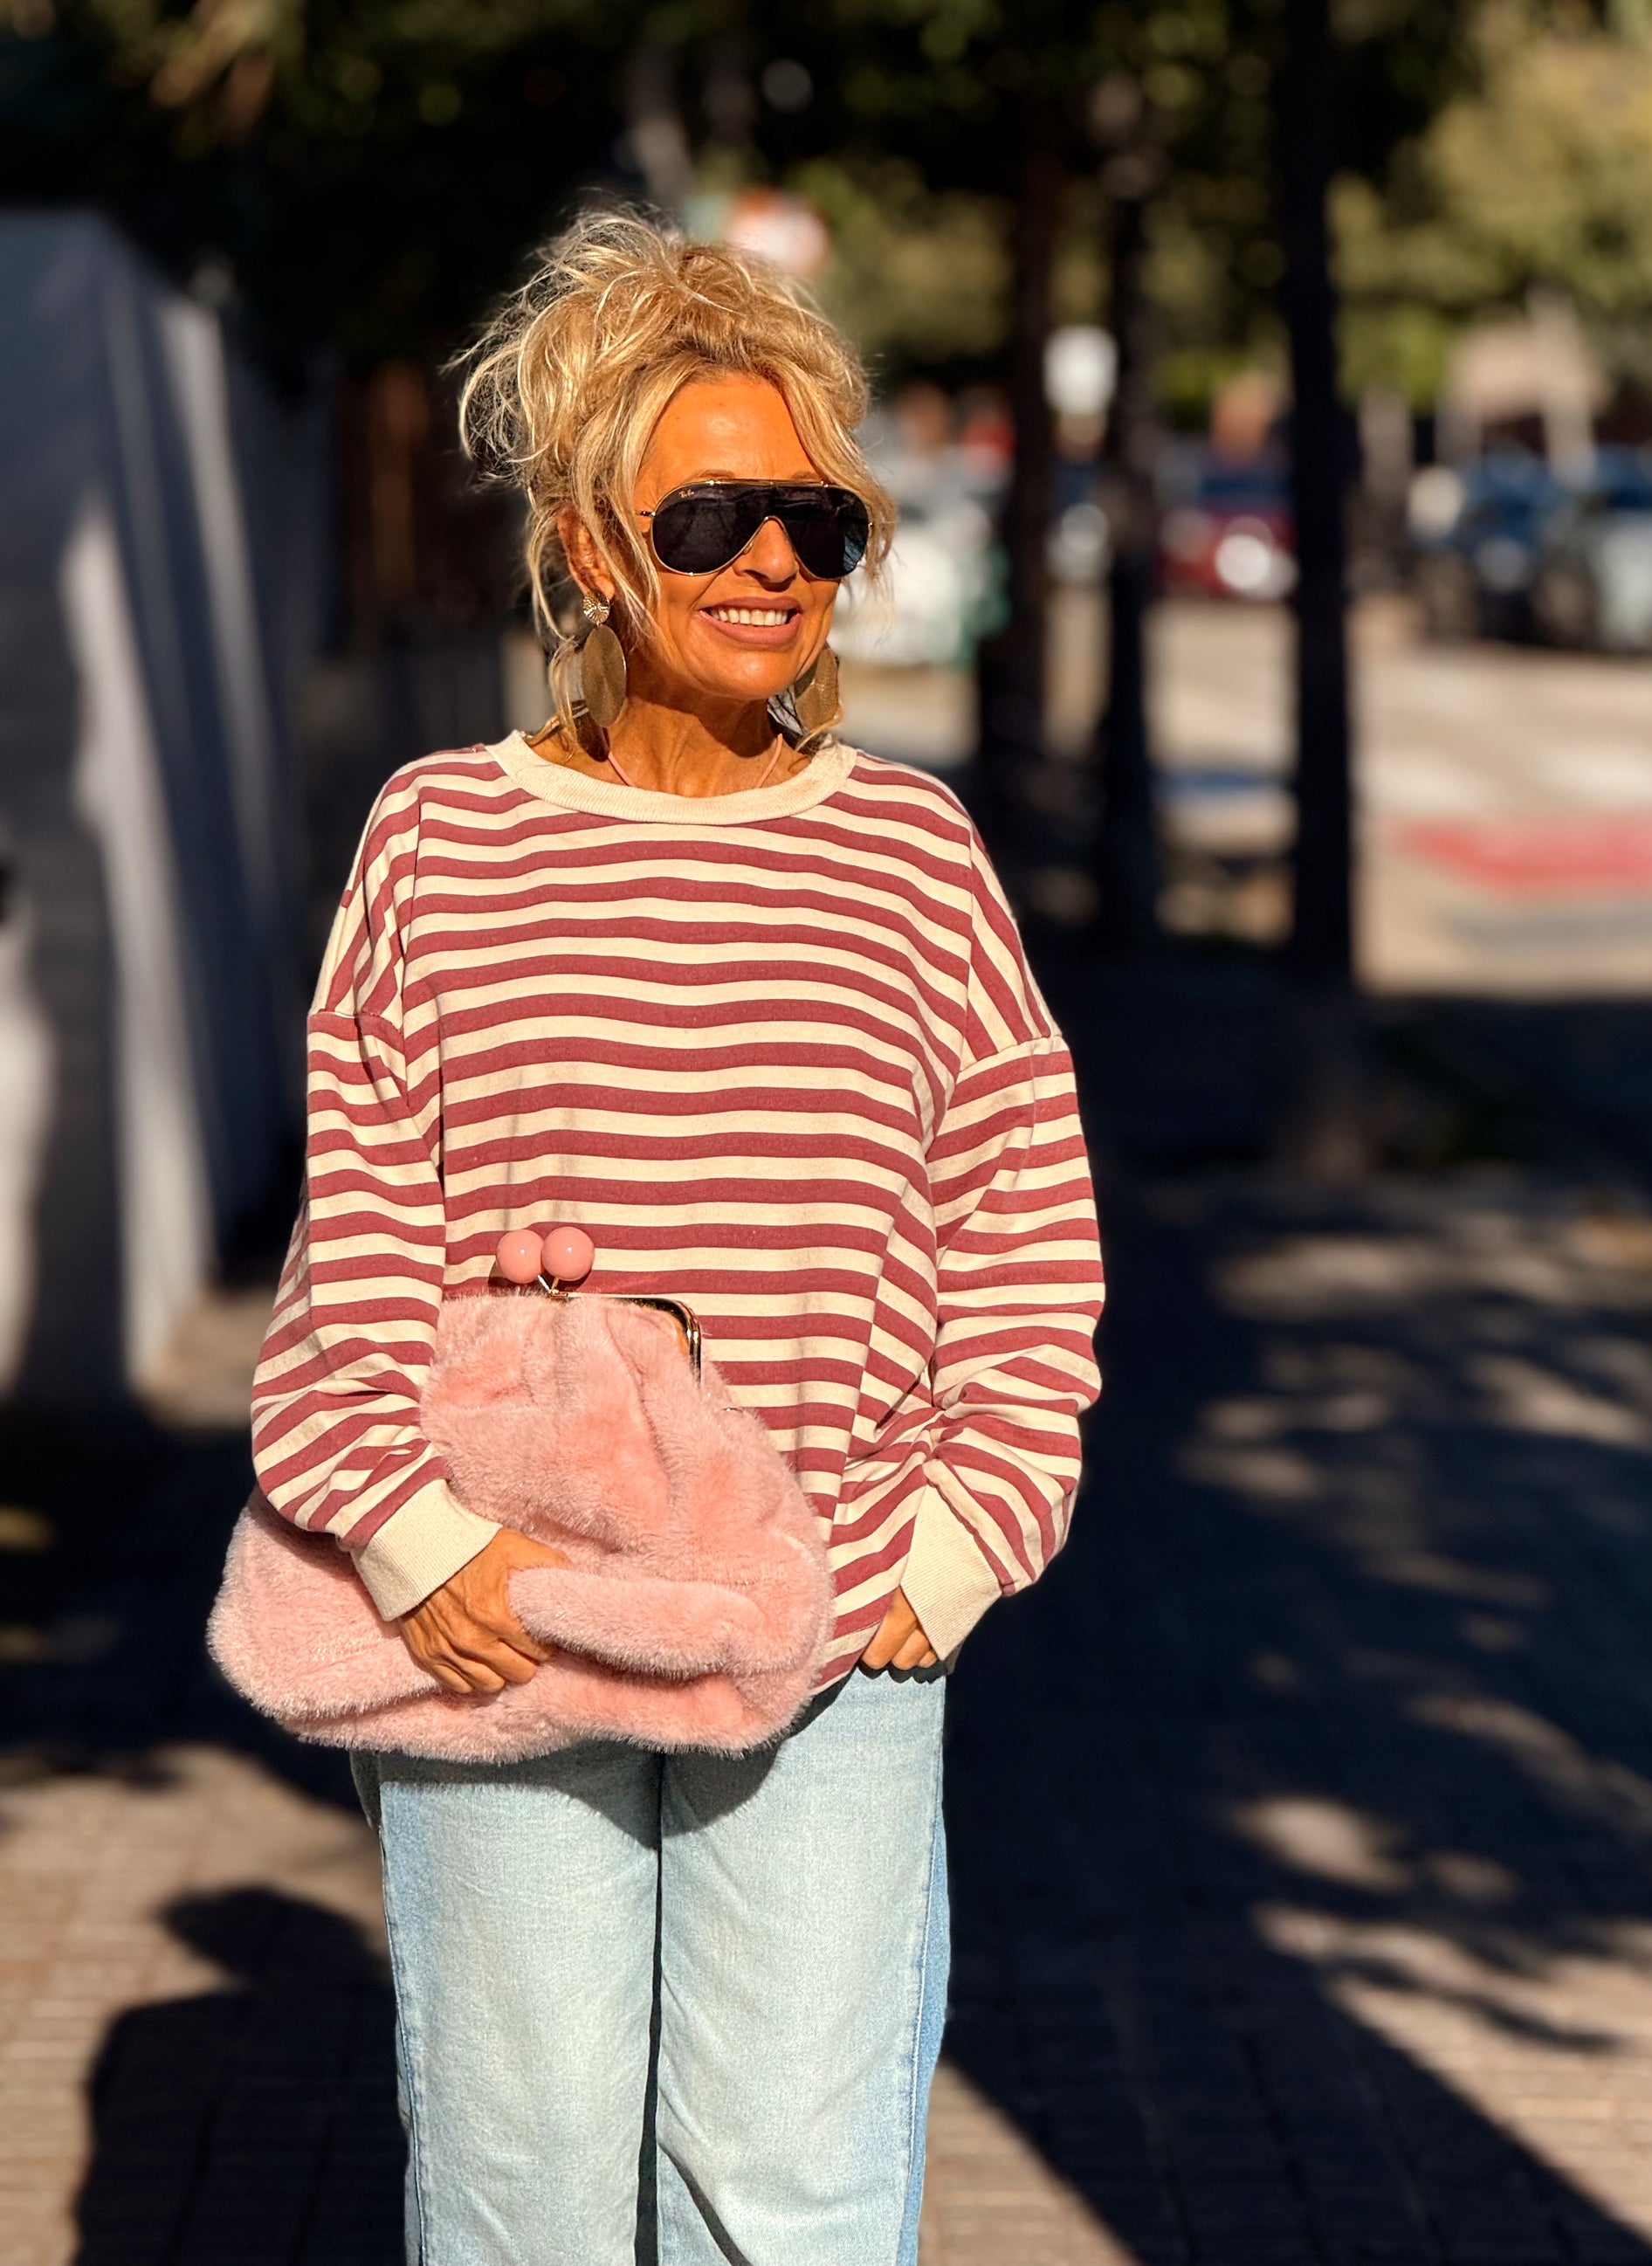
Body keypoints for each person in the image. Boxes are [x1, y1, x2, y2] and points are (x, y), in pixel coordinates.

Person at [249, 211, 1103, 2266]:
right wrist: (413, 1537)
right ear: (587, 542)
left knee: (784, 2202)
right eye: (710, 513)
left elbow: (1021, 1217)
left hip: (832, 1614)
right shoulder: (445, 836)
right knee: (521, 2188)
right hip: (509, 1604)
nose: (771, 561)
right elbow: (358, 1229)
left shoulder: (907, 853)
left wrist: (955, 1544)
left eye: (817, 519)